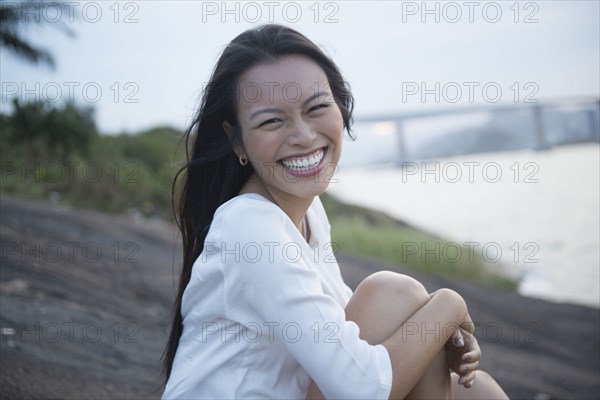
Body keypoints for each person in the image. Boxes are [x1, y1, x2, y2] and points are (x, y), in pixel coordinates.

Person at [162, 24, 509, 400]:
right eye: (272, 120)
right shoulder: (249, 226)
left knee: (479, 390)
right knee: (395, 292)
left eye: (316, 108)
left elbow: (345, 335)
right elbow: (361, 390)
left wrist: (440, 333)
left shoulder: (307, 214)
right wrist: (449, 306)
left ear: (340, 107)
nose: (304, 135)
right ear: (236, 139)